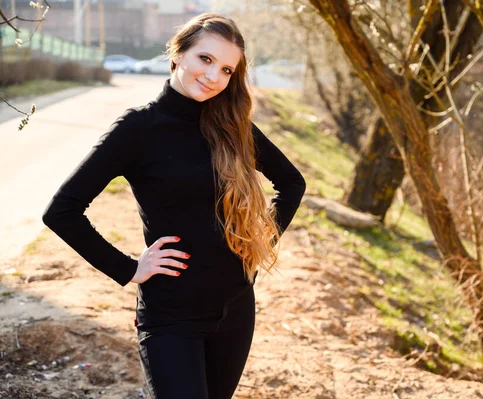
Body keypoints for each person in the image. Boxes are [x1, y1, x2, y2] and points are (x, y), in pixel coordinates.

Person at [42, 12, 306, 399]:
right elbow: (62, 211)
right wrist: (129, 268)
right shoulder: (138, 129)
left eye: (227, 69)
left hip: (235, 308)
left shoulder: (234, 128)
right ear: (178, 53)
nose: (214, 76)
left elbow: (291, 184)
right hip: (170, 316)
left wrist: (258, 241)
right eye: (205, 59)